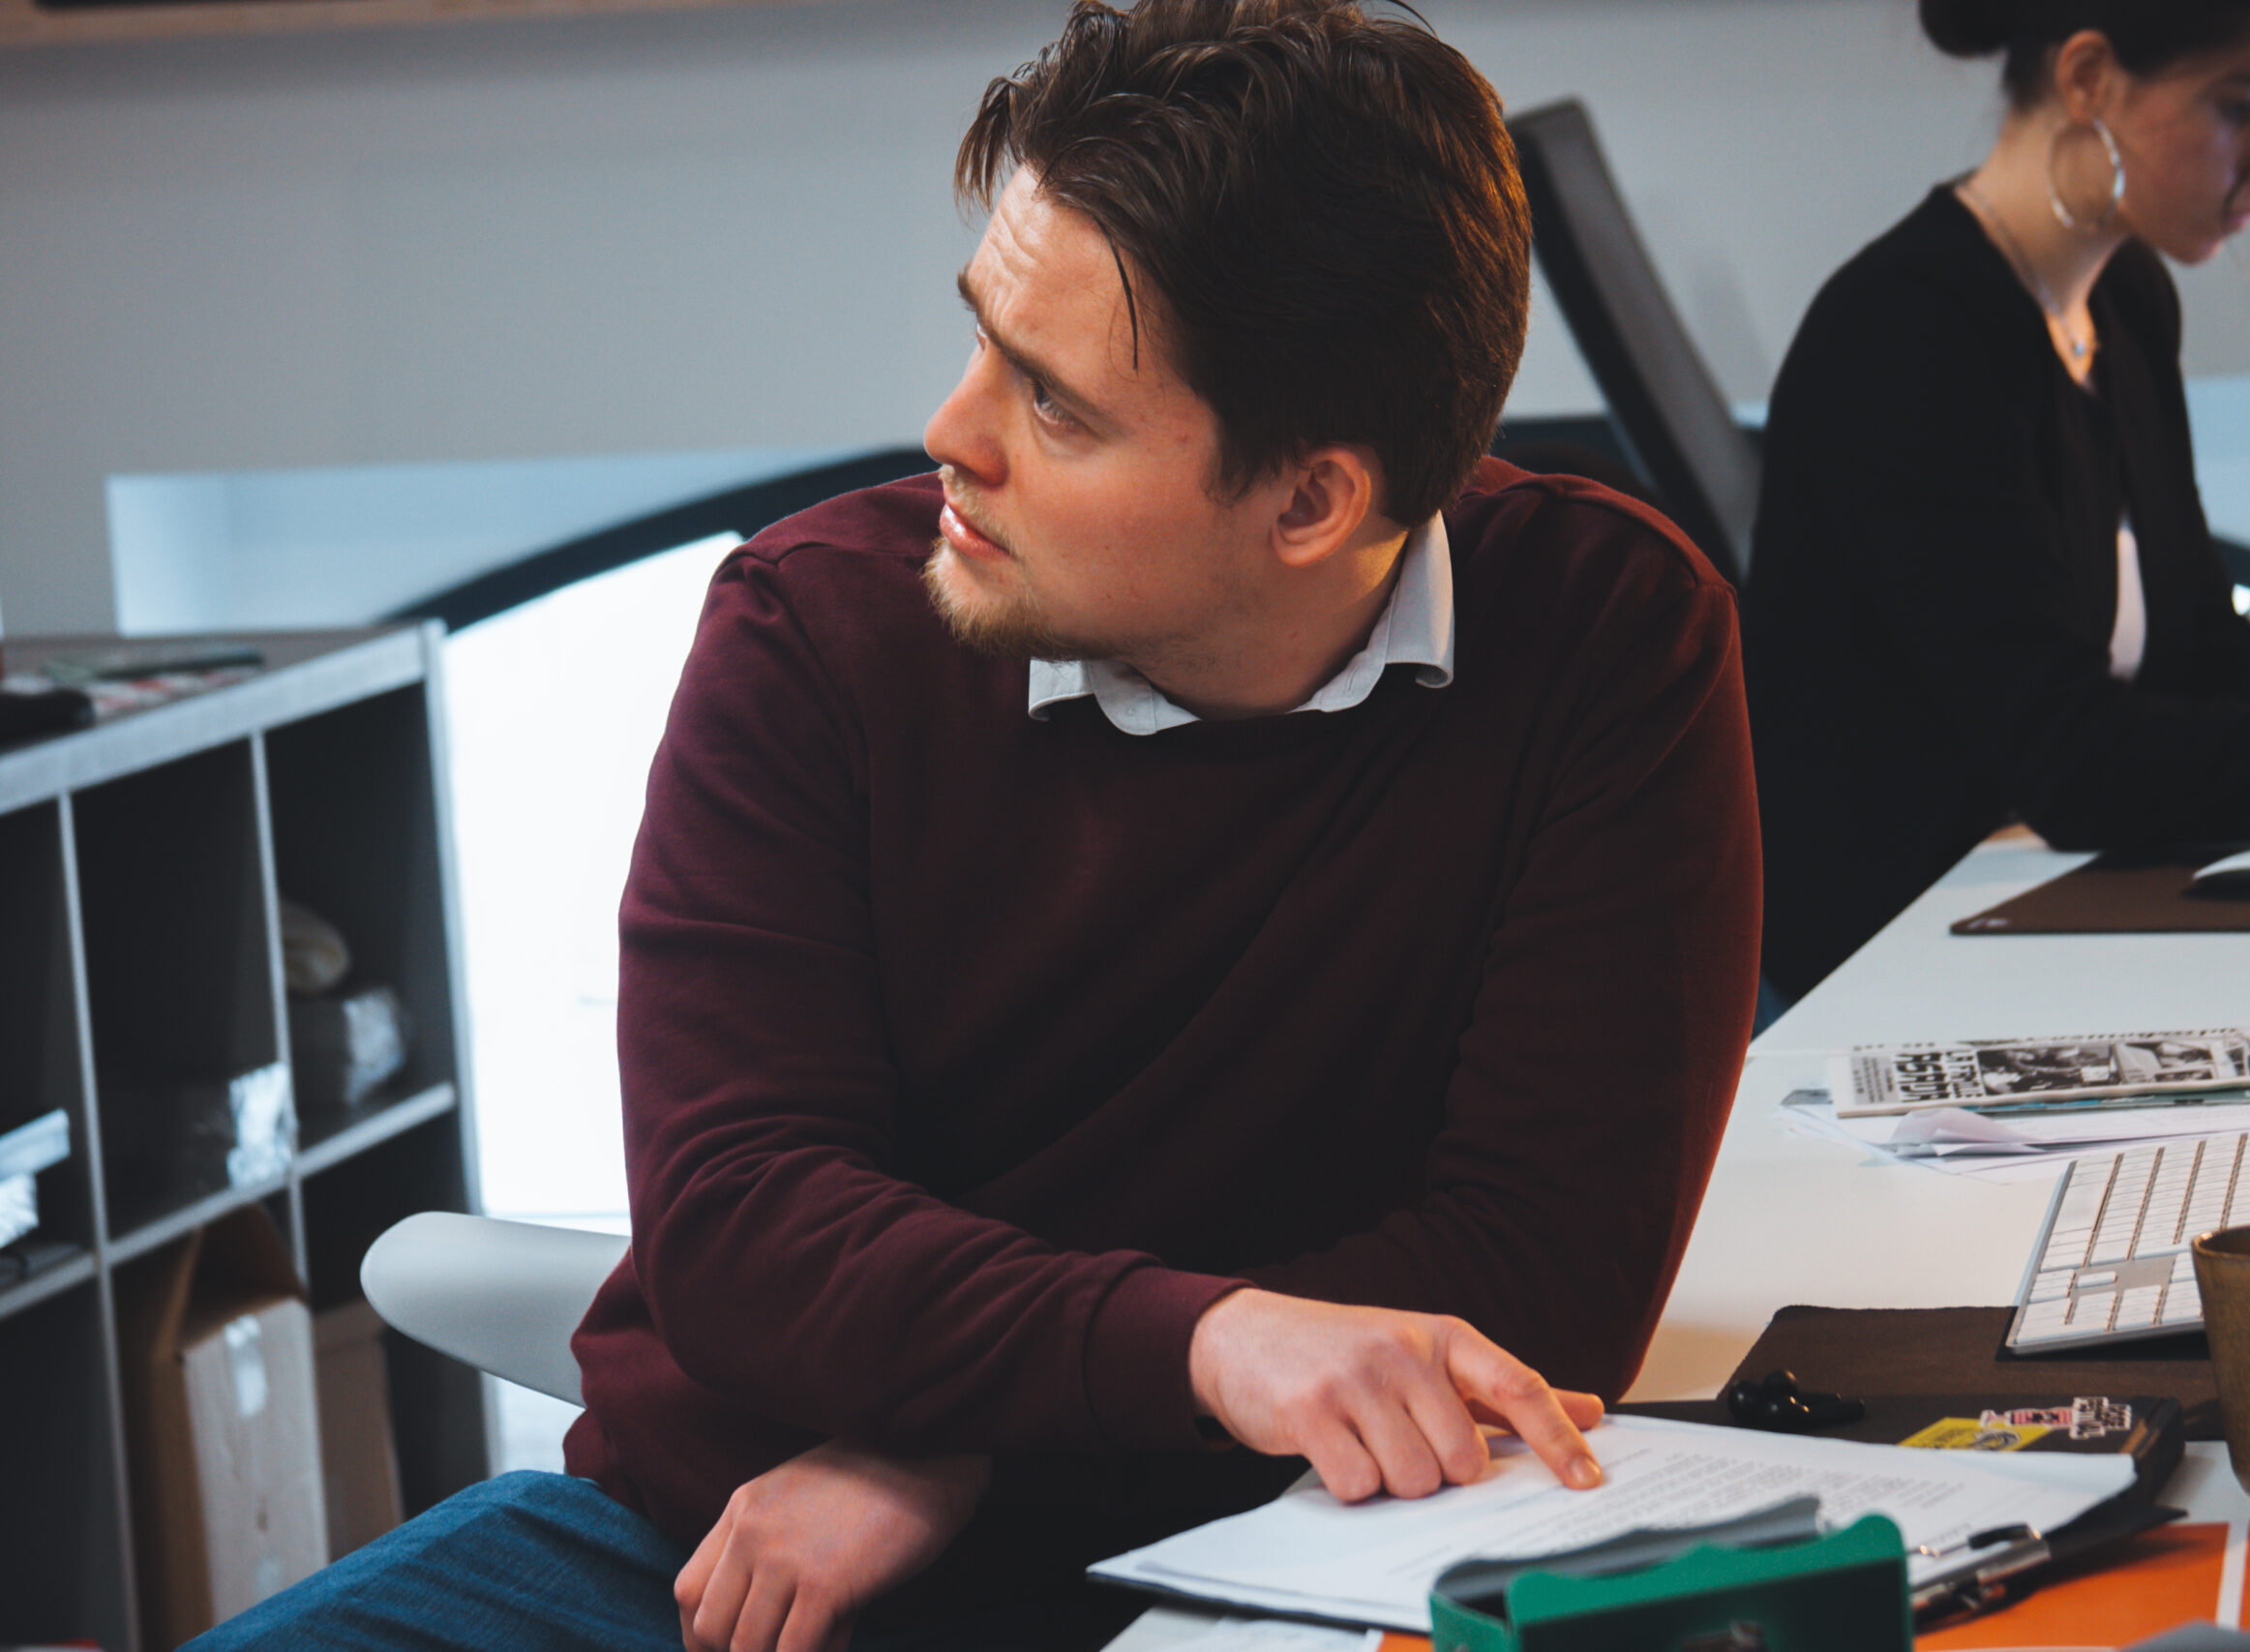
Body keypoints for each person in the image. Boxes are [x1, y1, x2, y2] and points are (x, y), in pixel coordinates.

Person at [192, 4, 1759, 1649]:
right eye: (980, 339)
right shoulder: (811, 630)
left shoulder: (1607, 634)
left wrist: (961, 1446)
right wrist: (1196, 1346)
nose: (953, 433)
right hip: (723, 1546)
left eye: (1054, 402)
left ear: (1311, 501)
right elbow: (741, 1223)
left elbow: (1530, 1279)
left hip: (1267, 1550)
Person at [1746, 0, 2250, 1004]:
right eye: (2241, 105)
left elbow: (2205, 662)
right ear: (2088, 78)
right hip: (1886, 969)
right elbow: (2077, 765)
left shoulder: (2122, 298)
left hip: (2037, 914)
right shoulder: (1911, 336)